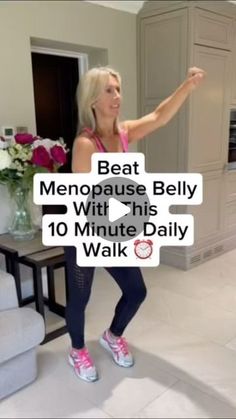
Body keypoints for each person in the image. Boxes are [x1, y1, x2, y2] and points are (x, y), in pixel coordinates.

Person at [64, 65, 206, 382]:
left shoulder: (124, 133)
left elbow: (159, 117)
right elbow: (86, 201)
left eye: (118, 88)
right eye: (109, 90)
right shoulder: (85, 144)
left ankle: (112, 336)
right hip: (86, 232)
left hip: (114, 228)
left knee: (136, 291)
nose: (117, 96)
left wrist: (187, 85)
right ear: (92, 100)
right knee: (80, 298)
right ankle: (77, 351)